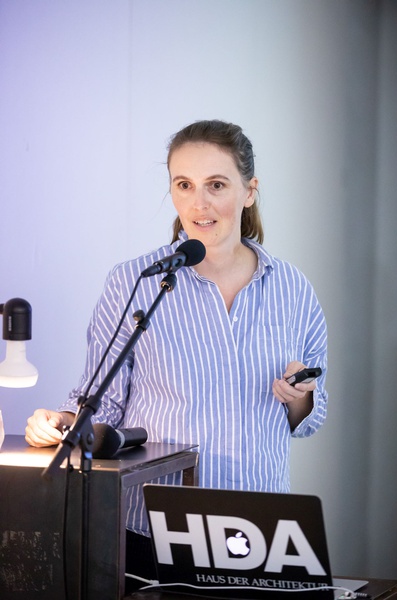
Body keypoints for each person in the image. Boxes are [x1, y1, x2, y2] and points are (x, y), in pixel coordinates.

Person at [25, 119, 328, 590]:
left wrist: (300, 397)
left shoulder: (293, 289)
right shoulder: (136, 281)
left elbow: (310, 418)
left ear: (250, 191)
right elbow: (102, 399)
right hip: (152, 527)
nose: (198, 204)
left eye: (216, 185)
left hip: (257, 528)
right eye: (184, 185)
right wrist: (61, 421)